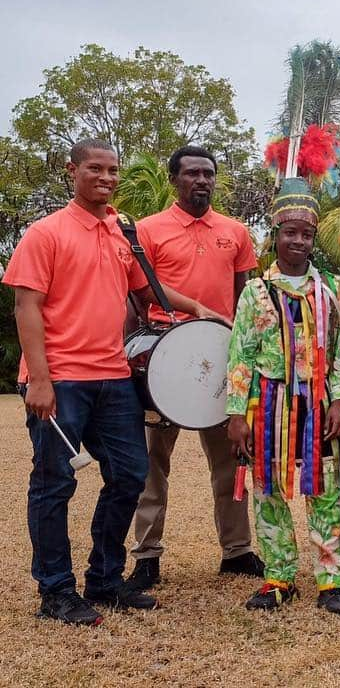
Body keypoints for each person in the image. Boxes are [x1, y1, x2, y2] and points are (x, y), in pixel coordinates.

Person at [4, 139, 222, 626]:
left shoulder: (121, 232)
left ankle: (104, 580)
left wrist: (196, 309)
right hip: (61, 380)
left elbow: (146, 288)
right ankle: (56, 592)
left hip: (113, 375)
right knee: (53, 484)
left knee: (128, 474)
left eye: (113, 170)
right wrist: (39, 380)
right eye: (95, 169)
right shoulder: (45, 233)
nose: (106, 177)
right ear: (72, 171)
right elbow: (26, 307)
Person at [126, 145, 263, 592]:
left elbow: (245, 297)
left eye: (208, 173)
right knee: (152, 463)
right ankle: (146, 556)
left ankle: (237, 549)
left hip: (221, 357)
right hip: (162, 357)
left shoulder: (235, 232)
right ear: (174, 180)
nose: (201, 181)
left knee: (230, 459)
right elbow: (138, 292)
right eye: (191, 174)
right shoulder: (147, 230)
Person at [225, 178, 340, 614]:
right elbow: (240, 353)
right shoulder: (256, 291)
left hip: (318, 405)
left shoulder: (332, 290)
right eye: (290, 232)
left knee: (326, 489)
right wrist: (236, 413)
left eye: (306, 233)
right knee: (269, 490)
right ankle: (278, 577)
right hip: (269, 406)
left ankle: (331, 578)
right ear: (275, 234)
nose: (298, 241)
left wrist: (338, 399)